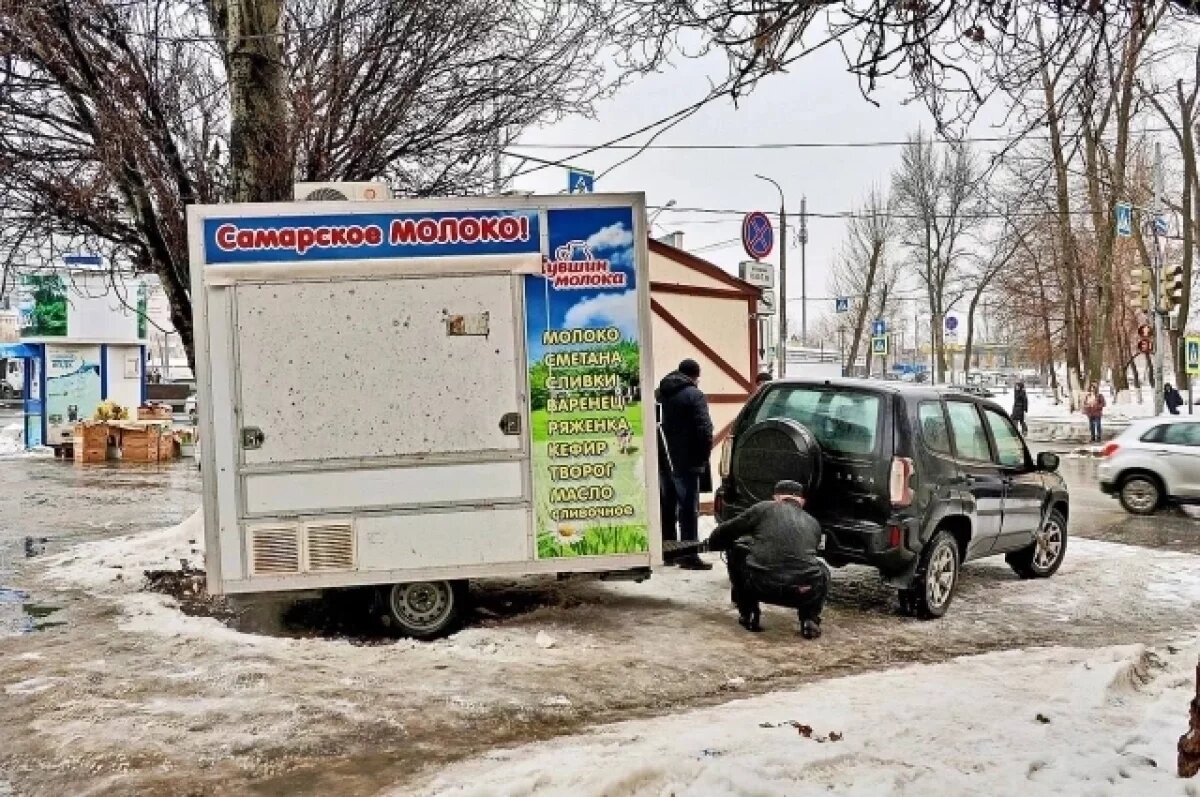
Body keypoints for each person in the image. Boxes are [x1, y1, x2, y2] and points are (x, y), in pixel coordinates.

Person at [705, 480, 829, 638]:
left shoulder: (763, 508)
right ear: (802, 501)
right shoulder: (813, 523)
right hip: (801, 591)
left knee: (737, 550)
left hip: (761, 585)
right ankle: (809, 620)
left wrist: (714, 543)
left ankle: (749, 614)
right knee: (822, 570)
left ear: (776, 497)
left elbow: (726, 531)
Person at [657, 358, 714, 570]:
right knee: (688, 510)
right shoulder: (694, 395)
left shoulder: (660, 394)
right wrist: (702, 458)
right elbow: (704, 430)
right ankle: (688, 555)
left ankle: (668, 552)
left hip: (664, 460)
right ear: (695, 376)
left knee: (667, 507)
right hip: (687, 462)